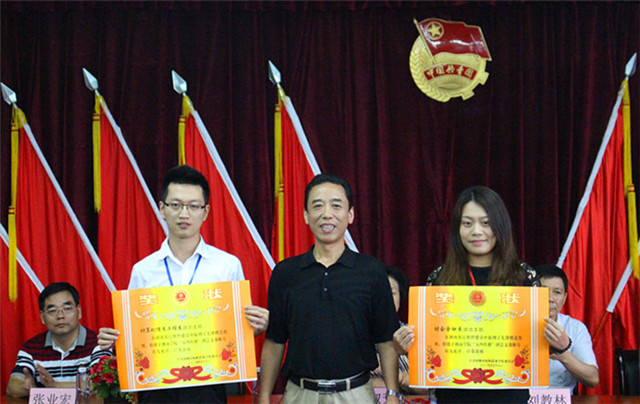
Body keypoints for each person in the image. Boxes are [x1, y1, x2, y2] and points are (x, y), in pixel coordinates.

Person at [97, 165, 269, 403]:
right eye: (176, 205)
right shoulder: (143, 270)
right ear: (162, 209)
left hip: (209, 386)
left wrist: (256, 326)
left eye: (193, 206)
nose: (184, 214)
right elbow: (136, 332)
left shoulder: (227, 265)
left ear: (205, 211)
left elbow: (238, 331)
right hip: (157, 388)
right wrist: (116, 339)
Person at [258, 174, 401, 404]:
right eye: (317, 206)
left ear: (350, 214)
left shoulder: (371, 271)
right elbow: (275, 341)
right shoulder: (286, 273)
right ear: (306, 215)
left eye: (336, 205)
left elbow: (386, 341)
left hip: (356, 394)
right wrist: (264, 396)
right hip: (300, 395)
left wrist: (393, 393)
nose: (327, 214)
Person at [394, 185, 539, 403]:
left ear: (500, 226)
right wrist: (405, 347)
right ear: (457, 229)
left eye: (486, 223)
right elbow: (431, 346)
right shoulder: (440, 278)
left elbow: (535, 345)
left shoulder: (523, 277)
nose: (476, 231)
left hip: (508, 396)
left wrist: (559, 343)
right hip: (454, 396)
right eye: (467, 223)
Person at [6, 282, 111, 397]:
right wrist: (34, 389)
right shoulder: (31, 348)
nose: (60, 316)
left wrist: (55, 386)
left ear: (79, 311)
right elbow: (13, 387)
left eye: (67, 309)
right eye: (52, 310)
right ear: (42, 317)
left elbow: (101, 385)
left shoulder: (99, 344)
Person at [536, 264, 599, 391]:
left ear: (564, 298)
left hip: (559, 399)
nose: (550, 299)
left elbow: (593, 379)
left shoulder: (575, 328)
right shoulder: (511, 323)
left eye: (557, 292)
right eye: (543, 291)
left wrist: (562, 353)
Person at [371, 266, 419, 395]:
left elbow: (429, 385)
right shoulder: (353, 334)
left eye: (391, 293)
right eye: (378, 293)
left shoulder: (414, 333)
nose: (385, 299)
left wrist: (399, 376)